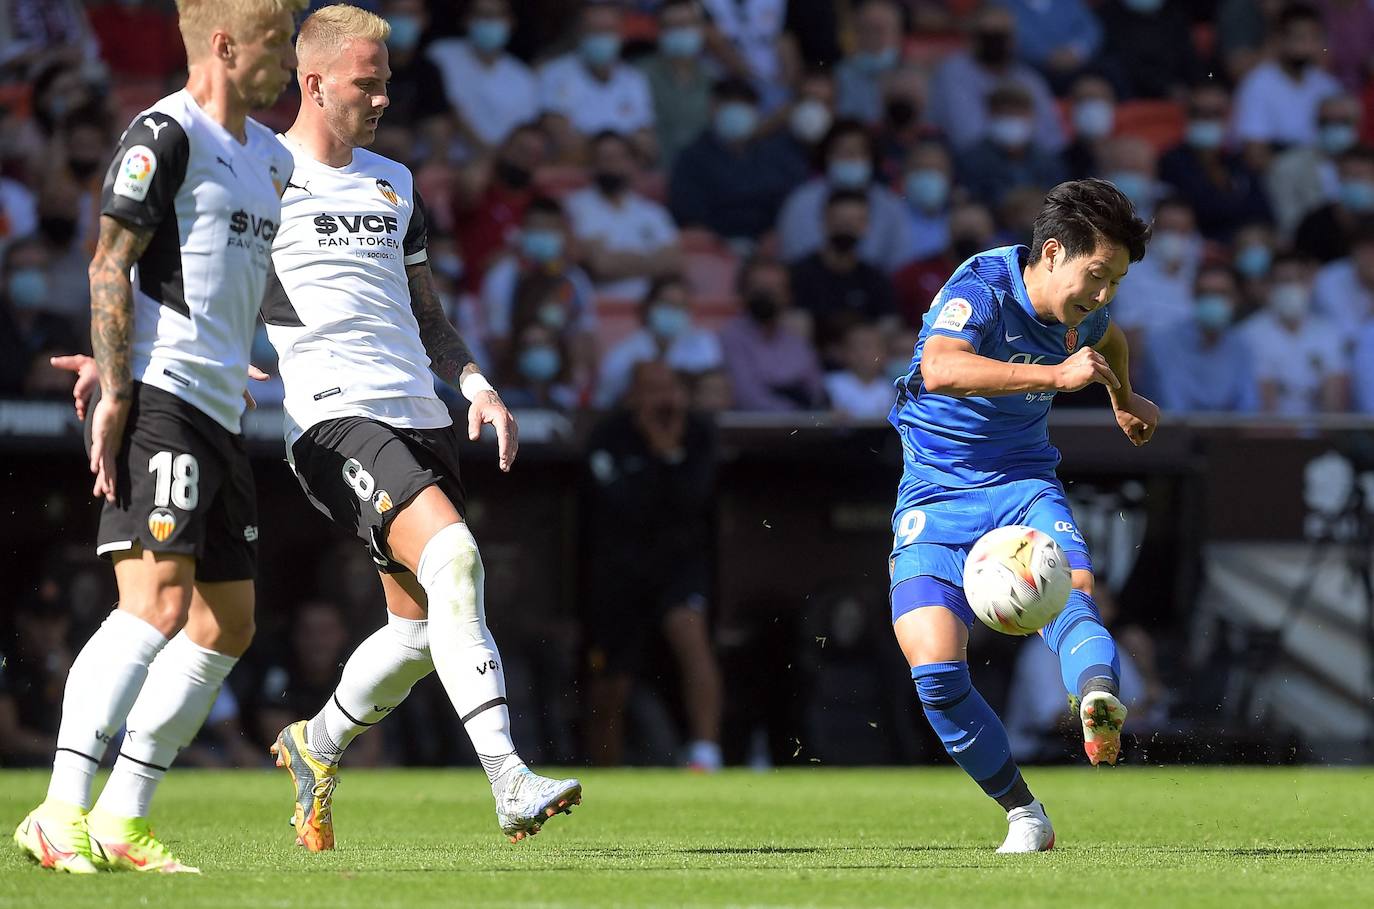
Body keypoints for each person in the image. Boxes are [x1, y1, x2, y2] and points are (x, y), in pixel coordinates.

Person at [55, 4, 585, 855]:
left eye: (385, 83)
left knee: (416, 633)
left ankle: (318, 742)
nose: (380, 98)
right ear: (315, 80)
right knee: (457, 556)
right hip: (334, 416)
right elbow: (184, 267)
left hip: (421, 410)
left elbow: (425, 310)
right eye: (366, 83)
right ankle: (510, 776)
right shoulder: (262, 169)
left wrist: (477, 383)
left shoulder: (395, 181)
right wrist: (113, 359)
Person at [13, 0, 304, 876]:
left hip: (223, 405)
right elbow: (111, 261)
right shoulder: (163, 133)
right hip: (164, 395)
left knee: (228, 623)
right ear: (225, 45)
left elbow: (248, 276)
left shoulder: (275, 158)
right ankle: (60, 810)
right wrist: (114, 382)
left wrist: (257, 344)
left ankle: (122, 819)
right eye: (277, 42)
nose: (289, 59)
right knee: (157, 604)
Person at [887, 178, 1157, 851]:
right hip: (935, 496)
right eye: (1097, 275)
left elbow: (1110, 340)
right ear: (1055, 251)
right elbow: (943, 367)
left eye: (1117, 281)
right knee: (936, 674)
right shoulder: (981, 284)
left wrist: (1124, 399)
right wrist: (1058, 378)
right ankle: (1024, 812)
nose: (1103, 294)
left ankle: (1097, 698)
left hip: (1020, 482)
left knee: (1076, 595)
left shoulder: (1085, 313)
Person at [583, 360, 724, 770]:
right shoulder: (609, 435)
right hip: (620, 570)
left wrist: (667, 453)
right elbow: (623, 503)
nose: (663, 399)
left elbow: (695, 498)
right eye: (653, 389)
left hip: (679, 564)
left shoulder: (698, 432)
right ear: (634, 395)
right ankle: (603, 764)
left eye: (671, 388)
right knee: (611, 679)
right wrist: (659, 456)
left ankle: (705, 753)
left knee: (692, 640)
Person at [668, 77, 809, 244]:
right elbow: (688, 214)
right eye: (729, 104)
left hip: (767, 245)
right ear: (713, 107)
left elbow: (787, 202)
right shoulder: (691, 158)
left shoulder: (773, 155)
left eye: (745, 106)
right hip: (713, 245)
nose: (738, 112)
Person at [927, 3, 1065, 154]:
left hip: (1029, 163)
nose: (995, 43)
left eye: (1001, 36)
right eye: (988, 36)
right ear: (972, 38)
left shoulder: (1028, 79)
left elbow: (1052, 139)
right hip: (972, 163)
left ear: (1013, 40)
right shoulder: (954, 72)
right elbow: (967, 136)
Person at [777, 119, 912, 273]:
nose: (850, 157)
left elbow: (898, 264)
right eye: (842, 151)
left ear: (871, 158)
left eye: (858, 152)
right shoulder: (800, 202)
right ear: (827, 156)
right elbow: (794, 256)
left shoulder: (891, 206)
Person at [565, 130, 682, 301]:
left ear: (632, 162)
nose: (612, 164)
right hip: (600, 307)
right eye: (605, 158)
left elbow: (674, 262)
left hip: (649, 309)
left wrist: (619, 261)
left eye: (619, 157)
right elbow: (600, 265)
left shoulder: (653, 212)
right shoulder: (576, 206)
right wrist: (651, 259)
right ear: (593, 163)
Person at [788, 188, 897, 362]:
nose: (846, 228)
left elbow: (888, 328)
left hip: (864, 366)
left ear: (866, 226)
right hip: (811, 365)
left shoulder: (875, 278)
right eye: (840, 221)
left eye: (854, 222)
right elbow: (795, 332)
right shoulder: (800, 274)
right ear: (824, 221)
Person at [1158, 83, 1271, 242]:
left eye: (1215, 114)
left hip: (1240, 246)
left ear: (1228, 118)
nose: (1206, 120)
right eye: (1198, 113)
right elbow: (1191, 210)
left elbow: (1263, 214)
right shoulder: (1170, 162)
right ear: (1186, 116)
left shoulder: (1238, 162)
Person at [537, 1, 654, 155]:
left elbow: (646, 144)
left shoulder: (634, 79)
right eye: (594, 30)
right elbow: (560, 137)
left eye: (607, 30)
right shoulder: (554, 73)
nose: (601, 37)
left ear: (621, 34)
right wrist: (617, 152)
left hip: (622, 175)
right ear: (579, 33)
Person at [1240, 252, 1350, 415]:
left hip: (1322, 434)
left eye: (1298, 279)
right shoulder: (1249, 333)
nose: (1291, 287)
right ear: (1269, 286)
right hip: (1270, 435)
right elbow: (1265, 403)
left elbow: (1335, 401)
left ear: (1309, 283)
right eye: (1283, 282)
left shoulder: (1330, 332)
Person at [1141, 264, 1260, 413]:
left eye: (1221, 294)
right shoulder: (1162, 344)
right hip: (1172, 434)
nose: (1213, 301)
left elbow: (1247, 408)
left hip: (1228, 435)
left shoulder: (1242, 347)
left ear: (1236, 299)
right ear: (1193, 296)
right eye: (1205, 294)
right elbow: (1173, 408)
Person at [425, 0, 538, 155]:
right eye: (482, 15)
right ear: (467, 20)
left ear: (511, 22)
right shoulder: (440, 56)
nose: (489, 21)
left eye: (496, 16)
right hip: (443, 163)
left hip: (503, 169)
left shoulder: (523, 76)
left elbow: (525, 133)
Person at [596, 274, 723, 408]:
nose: (673, 311)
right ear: (649, 307)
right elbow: (605, 398)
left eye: (680, 306)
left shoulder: (703, 343)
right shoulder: (624, 353)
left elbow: (710, 388)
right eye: (667, 304)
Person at [1231, 2, 1342, 154]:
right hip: (1276, 169)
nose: (1306, 46)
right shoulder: (1258, 82)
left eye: (1313, 38)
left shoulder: (1328, 84)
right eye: (1299, 37)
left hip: (1322, 169)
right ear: (1279, 40)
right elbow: (1254, 152)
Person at [718, 255, 824, 411]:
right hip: (752, 431)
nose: (767, 295)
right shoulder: (730, 337)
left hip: (802, 431)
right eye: (760, 288)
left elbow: (816, 392)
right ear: (744, 292)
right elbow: (746, 397)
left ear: (788, 295)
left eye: (775, 289)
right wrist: (798, 415)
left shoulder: (796, 341)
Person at [954, 83, 1066, 211]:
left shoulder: (1048, 162)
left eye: (1018, 114)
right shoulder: (971, 160)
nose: (1012, 121)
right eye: (1005, 114)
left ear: (1031, 116)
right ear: (990, 116)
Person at [638, 0, 713, 169]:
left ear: (701, 29)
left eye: (687, 25)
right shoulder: (638, 75)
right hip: (653, 175)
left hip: (701, 178)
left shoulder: (712, 78)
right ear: (659, 31)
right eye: (672, 26)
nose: (681, 32)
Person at [1294, 145, 1374, 263]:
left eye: (1361, 175)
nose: (1355, 181)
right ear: (1337, 177)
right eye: (1348, 175)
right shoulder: (1314, 223)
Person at [833, 0, 905, 126]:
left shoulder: (915, 76)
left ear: (896, 34)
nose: (872, 37)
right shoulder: (839, 75)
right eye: (864, 30)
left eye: (879, 30)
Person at [824, 322, 897, 418]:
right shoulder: (831, 384)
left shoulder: (892, 388)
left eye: (868, 347)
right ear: (845, 352)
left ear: (884, 353)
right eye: (855, 347)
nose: (861, 353)